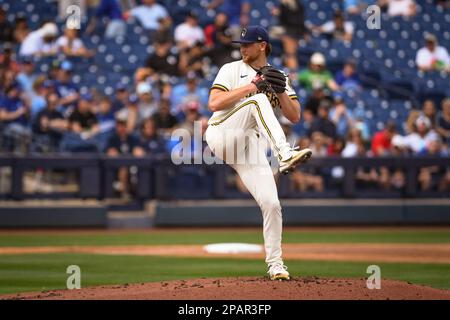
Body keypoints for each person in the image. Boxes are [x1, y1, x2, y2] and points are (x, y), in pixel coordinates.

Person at [205, 26, 312, 281]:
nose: (242, 47)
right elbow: (213, 103)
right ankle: (284, 153)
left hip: (248, 146)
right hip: (222, 132)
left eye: (248, 43)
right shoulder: (231, 69)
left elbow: (295, 115)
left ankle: (276, 264)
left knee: (272, 203)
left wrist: (280, 90)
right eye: (241, 43)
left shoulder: (279, 76)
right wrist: (252, 86)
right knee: (257, 99)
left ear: (262, 45)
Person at [271, 0, 306, 71]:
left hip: (292, 31)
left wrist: (279, 13)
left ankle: (293, 71)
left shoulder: (296, 4)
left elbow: (296, 21)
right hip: (288, 29)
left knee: (290, 54)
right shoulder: (285, 4)